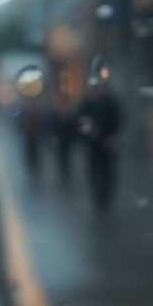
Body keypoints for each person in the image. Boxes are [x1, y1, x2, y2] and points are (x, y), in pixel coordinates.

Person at [77, 80, 123, 212]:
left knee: (107, 171)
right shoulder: (87, 104)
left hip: (107, 142)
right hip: (92, 143)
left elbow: (117, 120)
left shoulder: (110, 102)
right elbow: (80, 122)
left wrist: (113, 136)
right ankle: (97, 196)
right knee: (93, 170)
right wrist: (87, 131)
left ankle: (106, 196)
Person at [51, 95, 76, 186]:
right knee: (61, 157)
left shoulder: (70, 114)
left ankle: (66, 173)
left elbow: (74, 127)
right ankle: (63, 173)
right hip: (59, 140)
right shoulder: (55, 113)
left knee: (67, 157)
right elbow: (52, 126)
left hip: (67, 139)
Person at [20, 96, 44, 177]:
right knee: (29, 151)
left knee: (36, 151)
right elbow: (21, 123)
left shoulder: (38, 111)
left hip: (36, 134)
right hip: (29, 134)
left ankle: (35, 165)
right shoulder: (25, 111)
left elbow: (42, 123)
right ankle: (31, 165)